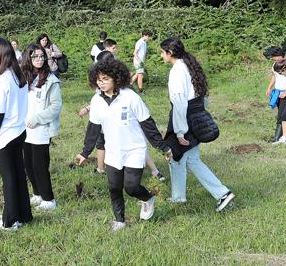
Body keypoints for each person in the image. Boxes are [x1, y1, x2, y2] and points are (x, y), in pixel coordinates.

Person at [75, 57, 171, 232]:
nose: (101, 83)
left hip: (134, 148)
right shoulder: (96, 101)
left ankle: (147, 198)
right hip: (113, 151)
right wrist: (85, 152)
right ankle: (119, 220)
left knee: (132, 187)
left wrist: (163, 147)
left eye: (105, 79)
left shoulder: (130, 97)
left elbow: (147, 124)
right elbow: (93, 129)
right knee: (114, 187)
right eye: (98, 79)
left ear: (116, 78)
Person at [160, 37, 235, 211]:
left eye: (162, 52)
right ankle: (179, 197)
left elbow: (179, 102)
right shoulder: (188, 64)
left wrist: (179, 132)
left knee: (177, 155)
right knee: (185, 158)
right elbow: (202, 96)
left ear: (169, 53)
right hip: (195, 114)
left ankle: (222, 193)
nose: (161, 56)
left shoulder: (177, 70)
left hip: (184, 118)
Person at [0, 38, 32, 231]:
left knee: (9, 179)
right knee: (19, 175)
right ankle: (24, 215)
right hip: (19, 131)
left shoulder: (1, 81)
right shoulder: (18, 76)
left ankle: (10, 221)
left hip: (4, 136)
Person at [20, 43, 62, 211]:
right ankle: (37, 194)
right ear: (28, 58)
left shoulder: (51, 80)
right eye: (35, 56)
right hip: (24, 128)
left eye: (41, 56)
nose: (39, 59)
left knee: (40, 165)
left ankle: (49, 199)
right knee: (28, 164)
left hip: (41, 128)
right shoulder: (24, 78)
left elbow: (55, 106)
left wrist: (37, 118)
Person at [264, 46, 286, 142]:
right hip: (278, 92)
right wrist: (269, 87)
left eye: (275, 56)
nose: (273, 58)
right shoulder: (275, 64)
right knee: (284, 114)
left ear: (281, 55)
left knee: (281, 116)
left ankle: (277, 138)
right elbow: (275, 76)